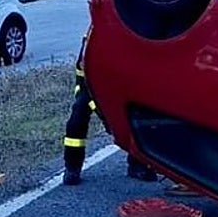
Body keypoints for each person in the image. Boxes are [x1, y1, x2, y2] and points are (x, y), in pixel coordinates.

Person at [62, 39, 155, 186]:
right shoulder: (93, 39)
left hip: (121, 86)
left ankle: (138, 164)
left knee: (135, 118)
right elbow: (82, 71)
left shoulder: (125, 36)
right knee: (77, 118)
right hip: (90, 86)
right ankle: (72, 168)